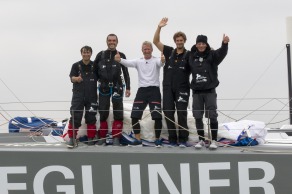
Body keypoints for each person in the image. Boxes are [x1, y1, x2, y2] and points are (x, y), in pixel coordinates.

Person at [114, 41, 165, 147]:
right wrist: (120, 60)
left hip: (154, 90)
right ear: (142, 50)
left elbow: (161, 63)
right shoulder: (139, 61)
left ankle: (157, 139)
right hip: (142, 90)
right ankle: (137, 139)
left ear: (151, 50)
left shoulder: (156, 60)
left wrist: (163, 60)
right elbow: (127, 63)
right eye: (144, 49)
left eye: (148, 49)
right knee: (135, 115)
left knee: (157, 117)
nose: (146, 51)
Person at [153, 17, 191, 147]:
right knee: (168, 112)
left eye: (181, 40)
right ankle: (173, 138)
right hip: (168, 87)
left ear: (184, 41)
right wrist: (159, 27)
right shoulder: (169, 51)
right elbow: (155, 41)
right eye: (177, 40)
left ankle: (183, 139)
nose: (179, 42)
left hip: (183, 88)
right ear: (175, 41)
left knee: (181, 113)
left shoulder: (189, 54)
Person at [189, 34, 230, 149]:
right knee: (197, 116)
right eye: (199, 43)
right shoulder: (191, 56)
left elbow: (222, 52)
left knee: (212, 115)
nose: (201, 45)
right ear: (196, 45)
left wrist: (225, 44)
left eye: (203, 43)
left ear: (206, 45)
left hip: (210, 91)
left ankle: (214, 140)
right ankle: (201, 140)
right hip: (197, 91)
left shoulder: (212, 55)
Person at [94, 34, 131, 146]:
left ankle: (116, 138)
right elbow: (94, 72)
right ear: (107, 42)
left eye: (114, 40)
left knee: (118, 113)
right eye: (109, 40)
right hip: (104, 87)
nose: (112, 42)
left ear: (117, 42)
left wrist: (128, 87)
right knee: (103, 112)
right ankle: (102, 137)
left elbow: (126, 72)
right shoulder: (100, 55)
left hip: (117, 87)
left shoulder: (121, 55)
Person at [67, 46, 98, 148]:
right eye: (84, 52)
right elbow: (71, 78)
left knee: (91, 117)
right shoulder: (75, 65)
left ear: (91, 54)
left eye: (88, 52)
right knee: (75, 116)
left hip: (92, 96)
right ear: (81, 53)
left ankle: (91, 140)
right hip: (78, 96)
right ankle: (72, 139)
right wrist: (76, 78)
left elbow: (103, 78)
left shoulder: (95, 66)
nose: (86, 54)